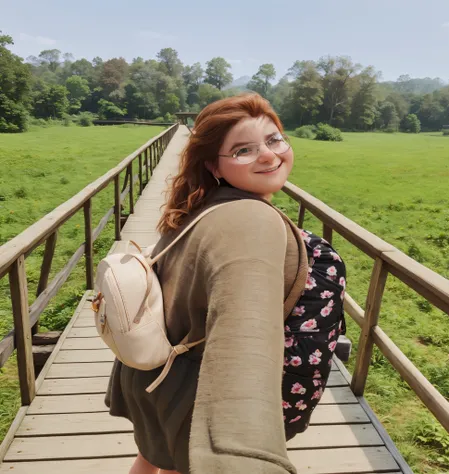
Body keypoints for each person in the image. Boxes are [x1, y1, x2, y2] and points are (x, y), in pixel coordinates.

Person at [105, 93, 346, 474]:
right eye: (243, 150)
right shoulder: (251, 221)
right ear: (213, 166)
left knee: (151, 460)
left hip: (154, 377)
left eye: (274, 139)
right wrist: (243, 454)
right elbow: (243, 336)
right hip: (191, 395)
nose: (267, 155)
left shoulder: (199, 205)